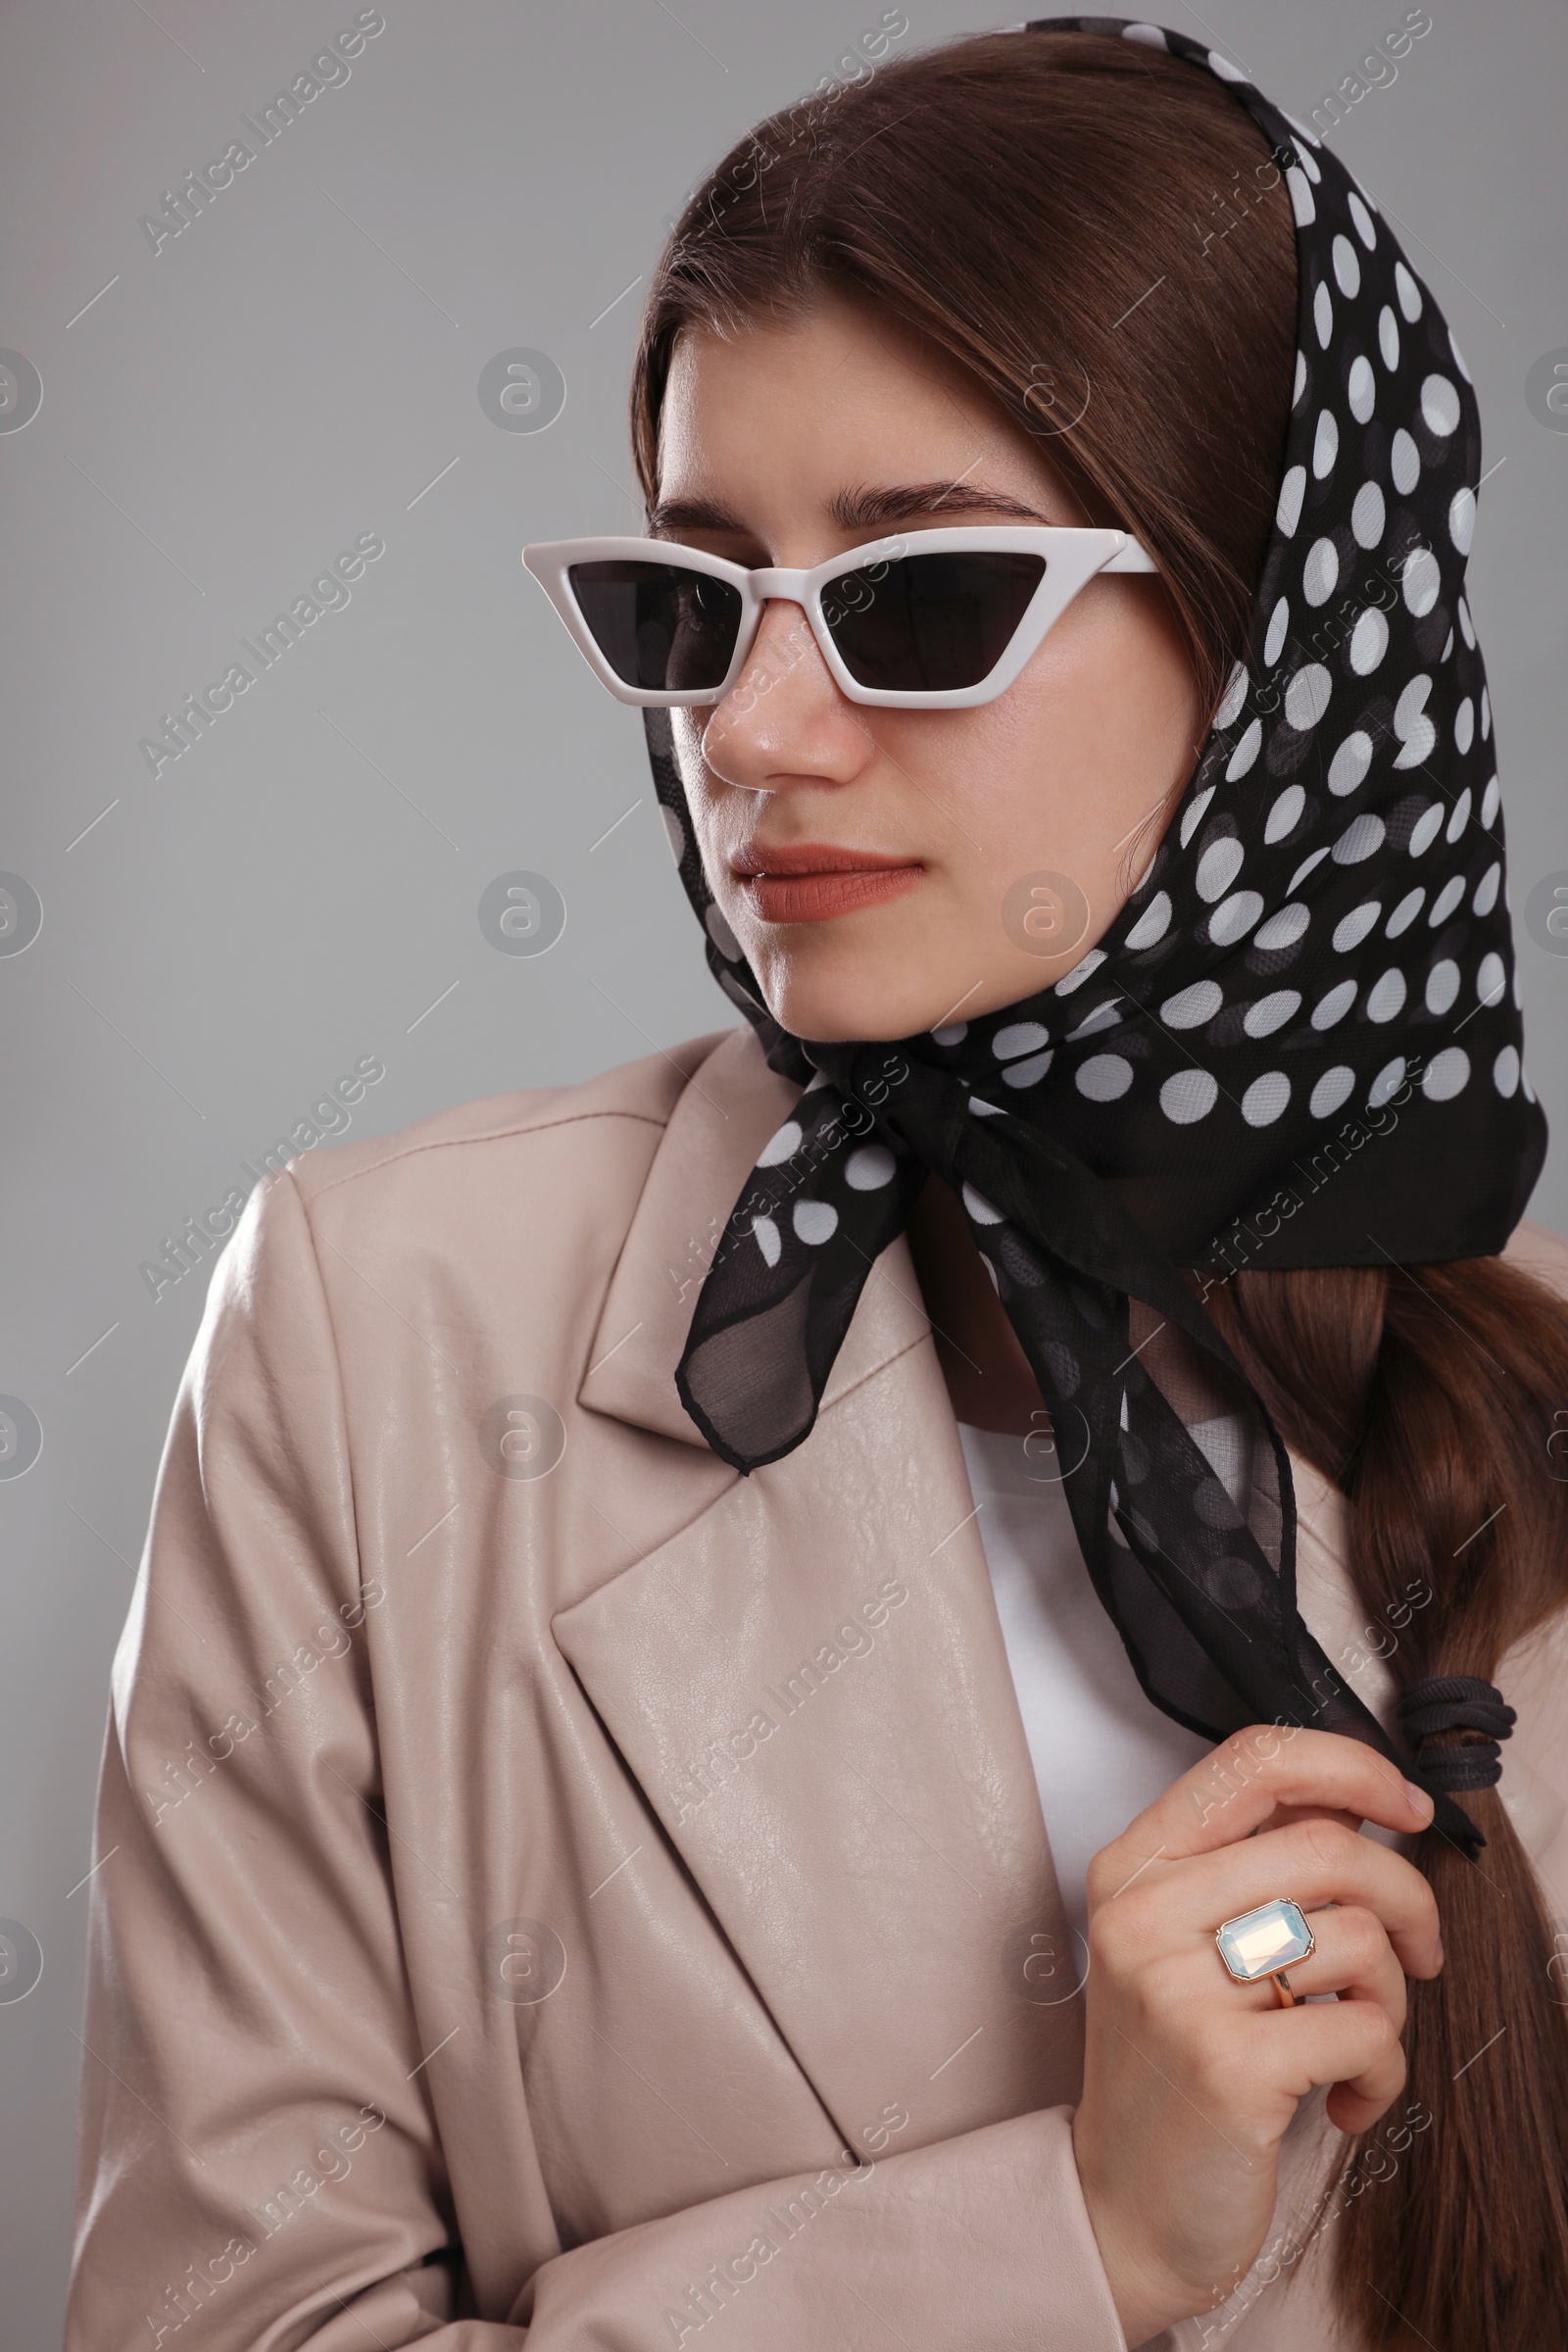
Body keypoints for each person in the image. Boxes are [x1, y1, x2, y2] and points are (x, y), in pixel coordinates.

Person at [67, 23, 1568, 2352]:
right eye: (688, 601)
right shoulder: (374, 1331)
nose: (746, 734)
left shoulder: (1537, 1380)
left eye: (922, 599)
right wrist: (1063, 2242)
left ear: (1278, 632)